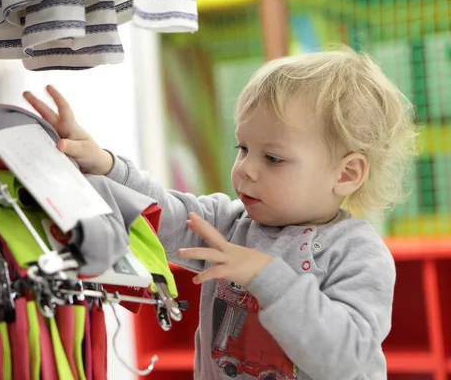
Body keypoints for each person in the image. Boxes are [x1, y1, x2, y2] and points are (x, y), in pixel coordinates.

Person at [23, 46, 417, 380]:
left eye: (273, 157)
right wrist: (104, 164)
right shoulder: (232, 225)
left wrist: (266, 277)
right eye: (242, 148)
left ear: (346, 174)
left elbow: (348, 359)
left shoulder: (357, 254)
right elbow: (163, 211)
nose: (245, 168)